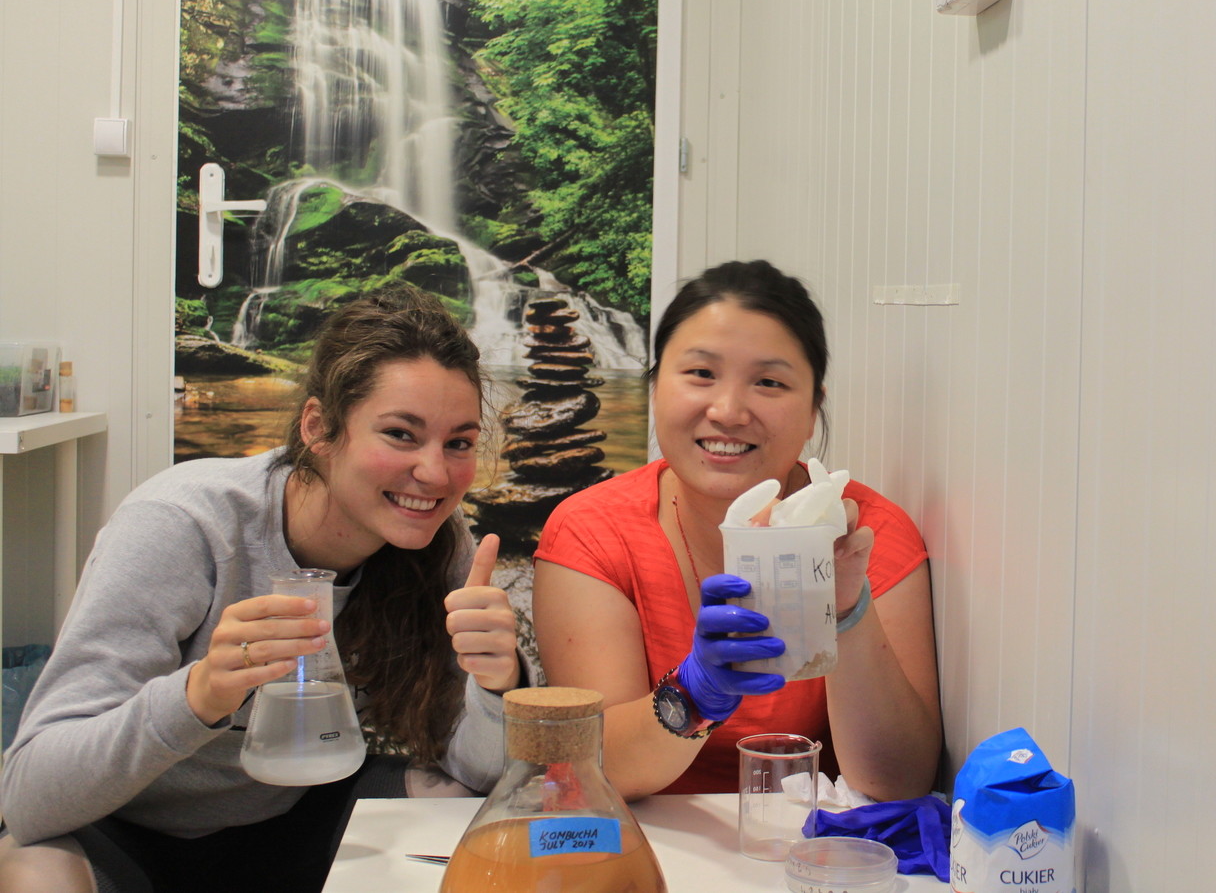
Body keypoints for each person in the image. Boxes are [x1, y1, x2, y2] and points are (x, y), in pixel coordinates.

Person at [0, 286, 527, 893]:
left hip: (298, 824)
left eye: (458, 443)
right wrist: (198, 695)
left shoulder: (437, 542)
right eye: (400, 434)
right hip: (126, 831)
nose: (434, 474)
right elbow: (30, 796)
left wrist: (497, 687)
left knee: (465, 810)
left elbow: (480, 774)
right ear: (318, 428)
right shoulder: (183, 524)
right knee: (31, 873)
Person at [533, 260, 942, 801]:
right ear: (655, 389)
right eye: (701, 374)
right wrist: (694, 692)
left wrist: (846, 611)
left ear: (813, 409)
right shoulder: (593, 532)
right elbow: (599, 770)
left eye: (769, 382)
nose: (727, 411)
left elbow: (898, 783)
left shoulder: (866, 536)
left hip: (809, 843)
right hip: (644, 837)